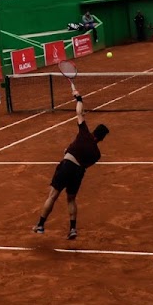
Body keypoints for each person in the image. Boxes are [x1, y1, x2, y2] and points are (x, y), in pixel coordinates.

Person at [33, 92, 108, 240]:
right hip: (78, 173)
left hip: (66, 166)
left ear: (94, 131)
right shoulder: (97, 155)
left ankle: (40, 225)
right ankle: (73, 229)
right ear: (102, 138)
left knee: (53, 196)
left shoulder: (85, 133)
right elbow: (84, 163)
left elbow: (79, 112)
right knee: (71, 199)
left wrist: (79, 98)